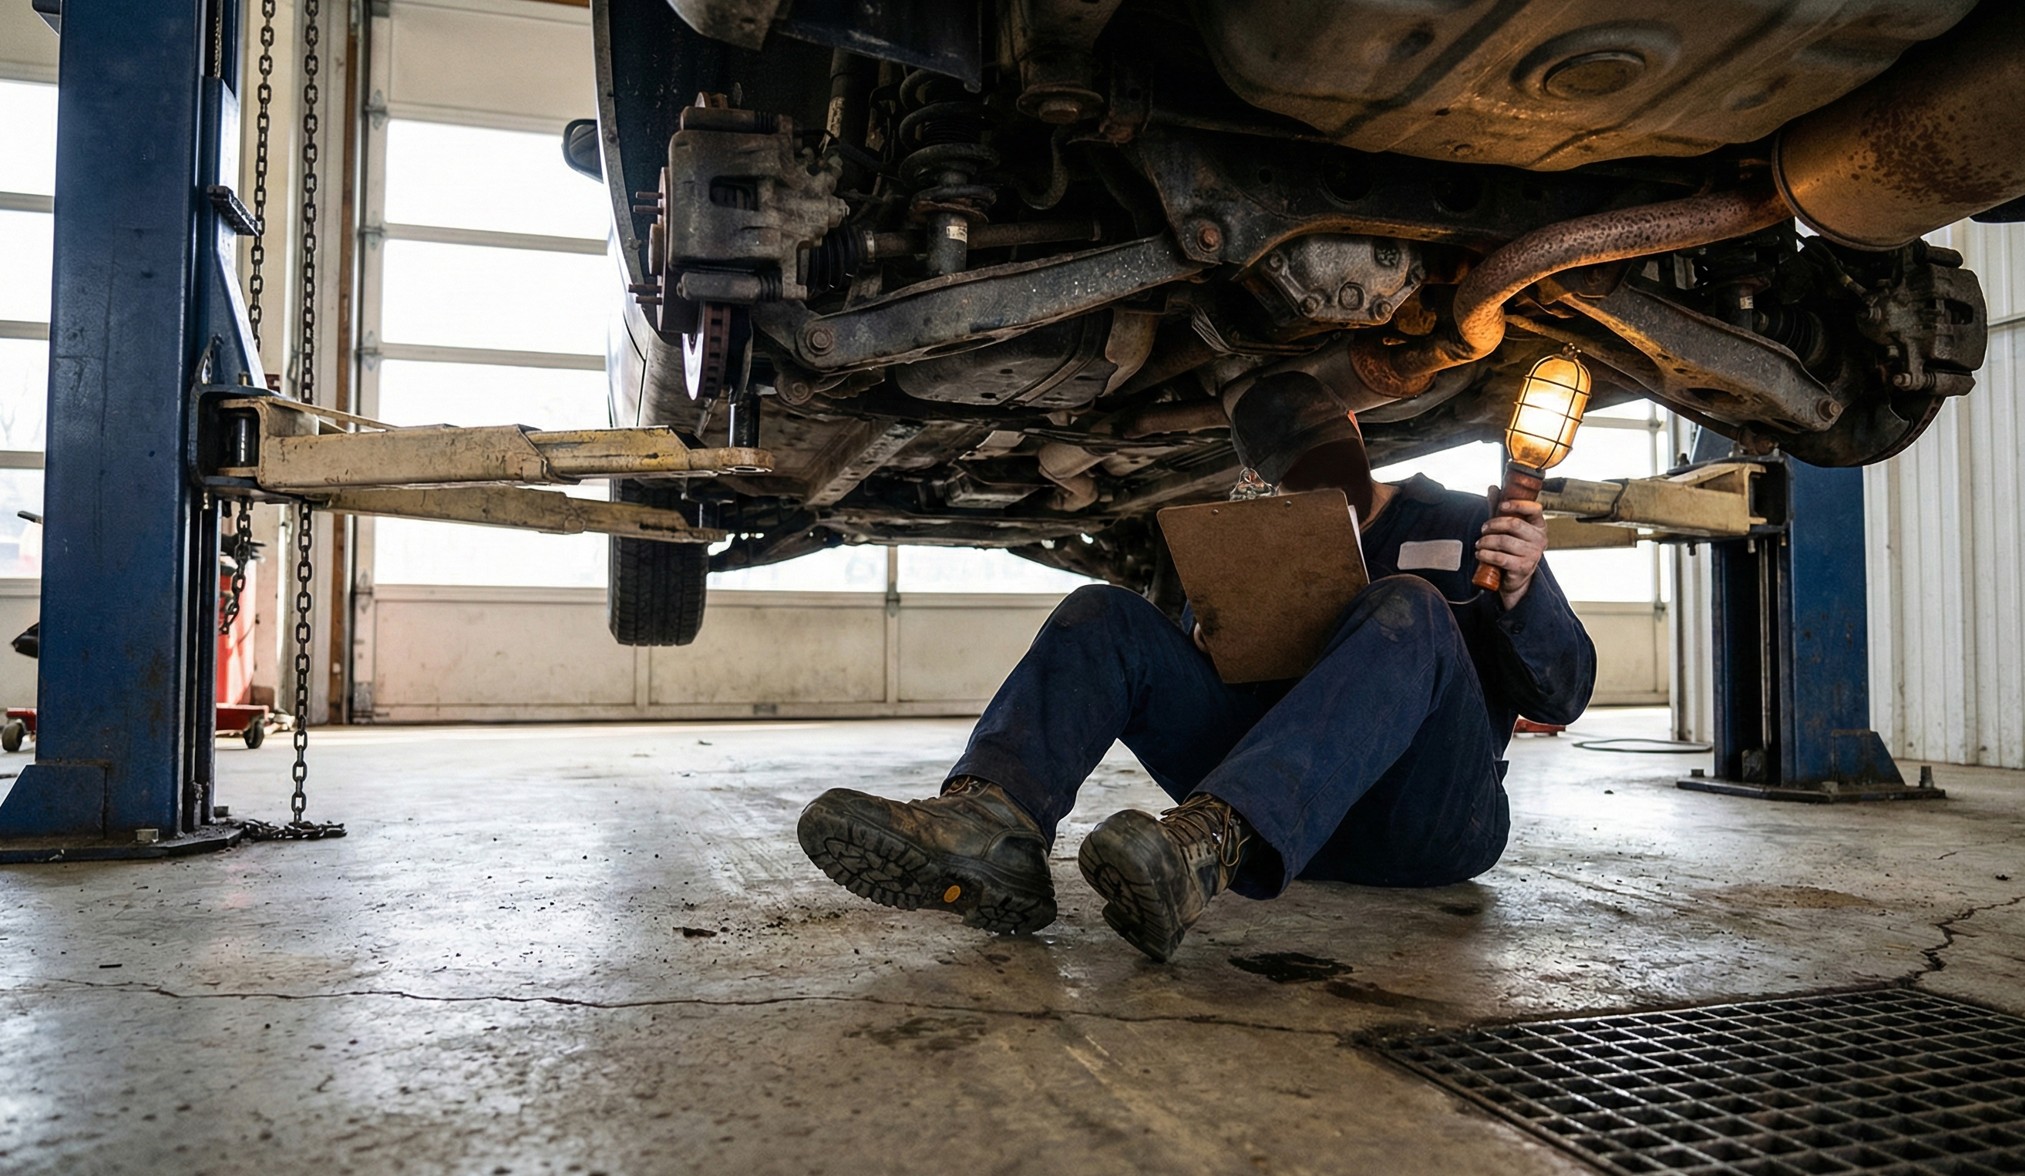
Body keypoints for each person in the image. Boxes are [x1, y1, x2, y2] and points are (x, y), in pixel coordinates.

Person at [796, 371, 1597, 961]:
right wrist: (1208, 635)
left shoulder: (1464, 522)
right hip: (1286, 827)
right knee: (1102, 612)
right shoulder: (1262, 533)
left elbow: (1561, 692)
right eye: (1285, 470)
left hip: (1425, 820)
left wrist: (1524, 591)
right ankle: (991, 828)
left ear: (1354, 426)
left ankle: (1206, 845)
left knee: (1407, 604)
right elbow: (1196, 672)